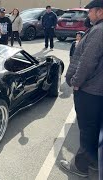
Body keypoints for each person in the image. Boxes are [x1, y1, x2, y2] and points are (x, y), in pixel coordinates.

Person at [61, 0, 103, 178]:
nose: (88, 15)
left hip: (90, 90)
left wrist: (75, 81)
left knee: (87, 130)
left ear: (100, 12)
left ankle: (80, 166)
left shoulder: (99, 31)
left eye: (90, 11)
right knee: (93, 128)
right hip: (96, 90)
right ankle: (93, 161)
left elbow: (87, 61)